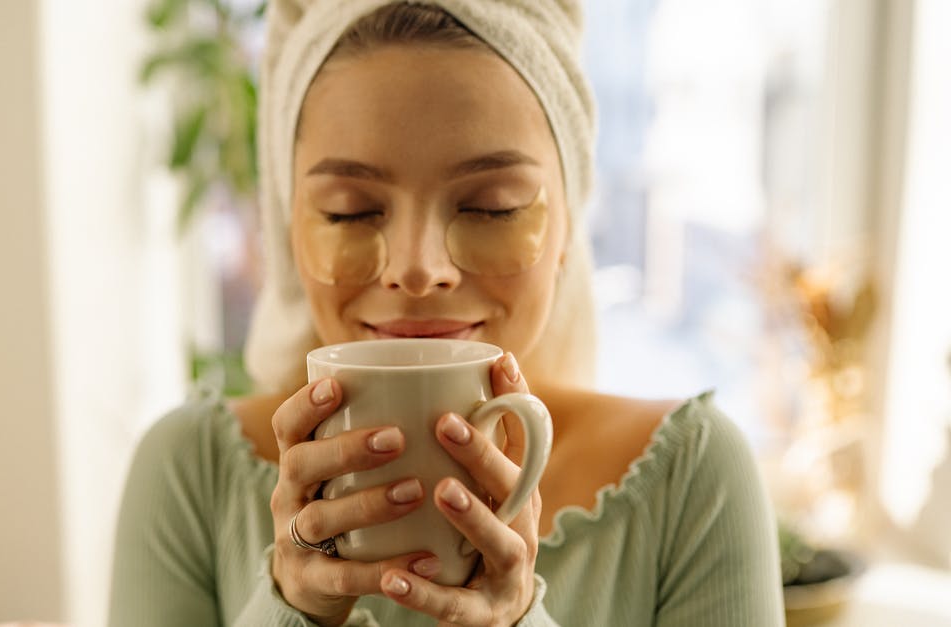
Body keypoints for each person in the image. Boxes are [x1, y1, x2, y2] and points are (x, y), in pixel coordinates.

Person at [109, 1, 785, 625]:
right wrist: (293, 605)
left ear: (568, 229)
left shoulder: (693, 480)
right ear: (290, 229)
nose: (417, 266)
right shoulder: (191, 471)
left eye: (492, 205)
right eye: (351, 210)